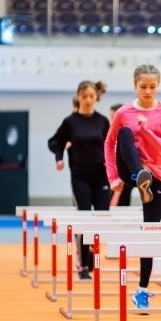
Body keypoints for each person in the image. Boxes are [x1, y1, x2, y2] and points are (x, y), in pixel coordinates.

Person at [105, 64, 161, 310]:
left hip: (157, 174)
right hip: (130, 169)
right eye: (143, 87)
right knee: (125, 133)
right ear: (135, 86)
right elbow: (109, 143)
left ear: (158, 86)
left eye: (152, 87)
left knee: (151, 232)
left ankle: (142, 290)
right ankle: (138, 176)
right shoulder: (124, 113)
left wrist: (146, 132)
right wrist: (113, 177)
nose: (148, 91)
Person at [50, 81, 111, 280]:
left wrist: (114, 171)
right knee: (84, 219)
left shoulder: (103, 121)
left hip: (101, 175)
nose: (87, 100)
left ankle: (92, 252)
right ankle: (83, 265)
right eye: (84, 97)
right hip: (80, 176)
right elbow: (57, 142)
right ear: (78, 97)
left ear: (96, 98)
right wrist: (59, 158)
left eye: (91, 96)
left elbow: (110, 146)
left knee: (101, 219)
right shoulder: (70, 122)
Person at [108, 103, 127, 207]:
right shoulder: (109, 132)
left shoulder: (126, 133)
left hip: (124, 174)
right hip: (112, 174)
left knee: (121, 202)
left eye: (113, 117)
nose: (112, 120)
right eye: (110, 117)